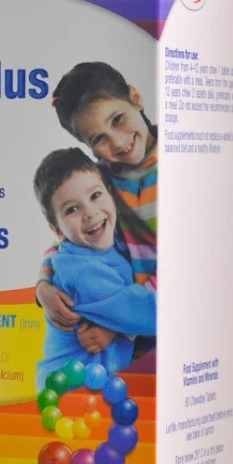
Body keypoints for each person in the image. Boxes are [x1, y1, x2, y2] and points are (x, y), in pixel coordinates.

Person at [36, 62, 158, 356]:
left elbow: (186, 269)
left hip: (162, 318)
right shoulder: (99, 182)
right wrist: (43, 286)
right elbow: (67, 240)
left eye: (117, 119)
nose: (118, 142)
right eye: (98, 139)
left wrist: (118, 324)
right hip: (132, 334)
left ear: (135, 98)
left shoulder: (183, 165)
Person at [33, 148, 156, 390]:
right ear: (58, 230)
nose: (90, 213)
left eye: (95, 195)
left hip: (95, 384)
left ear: (110, 194)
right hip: (70, 389)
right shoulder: (83, 273)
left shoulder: (112, 237)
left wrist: (114, 328)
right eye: (72, 209)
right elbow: (148, 313)